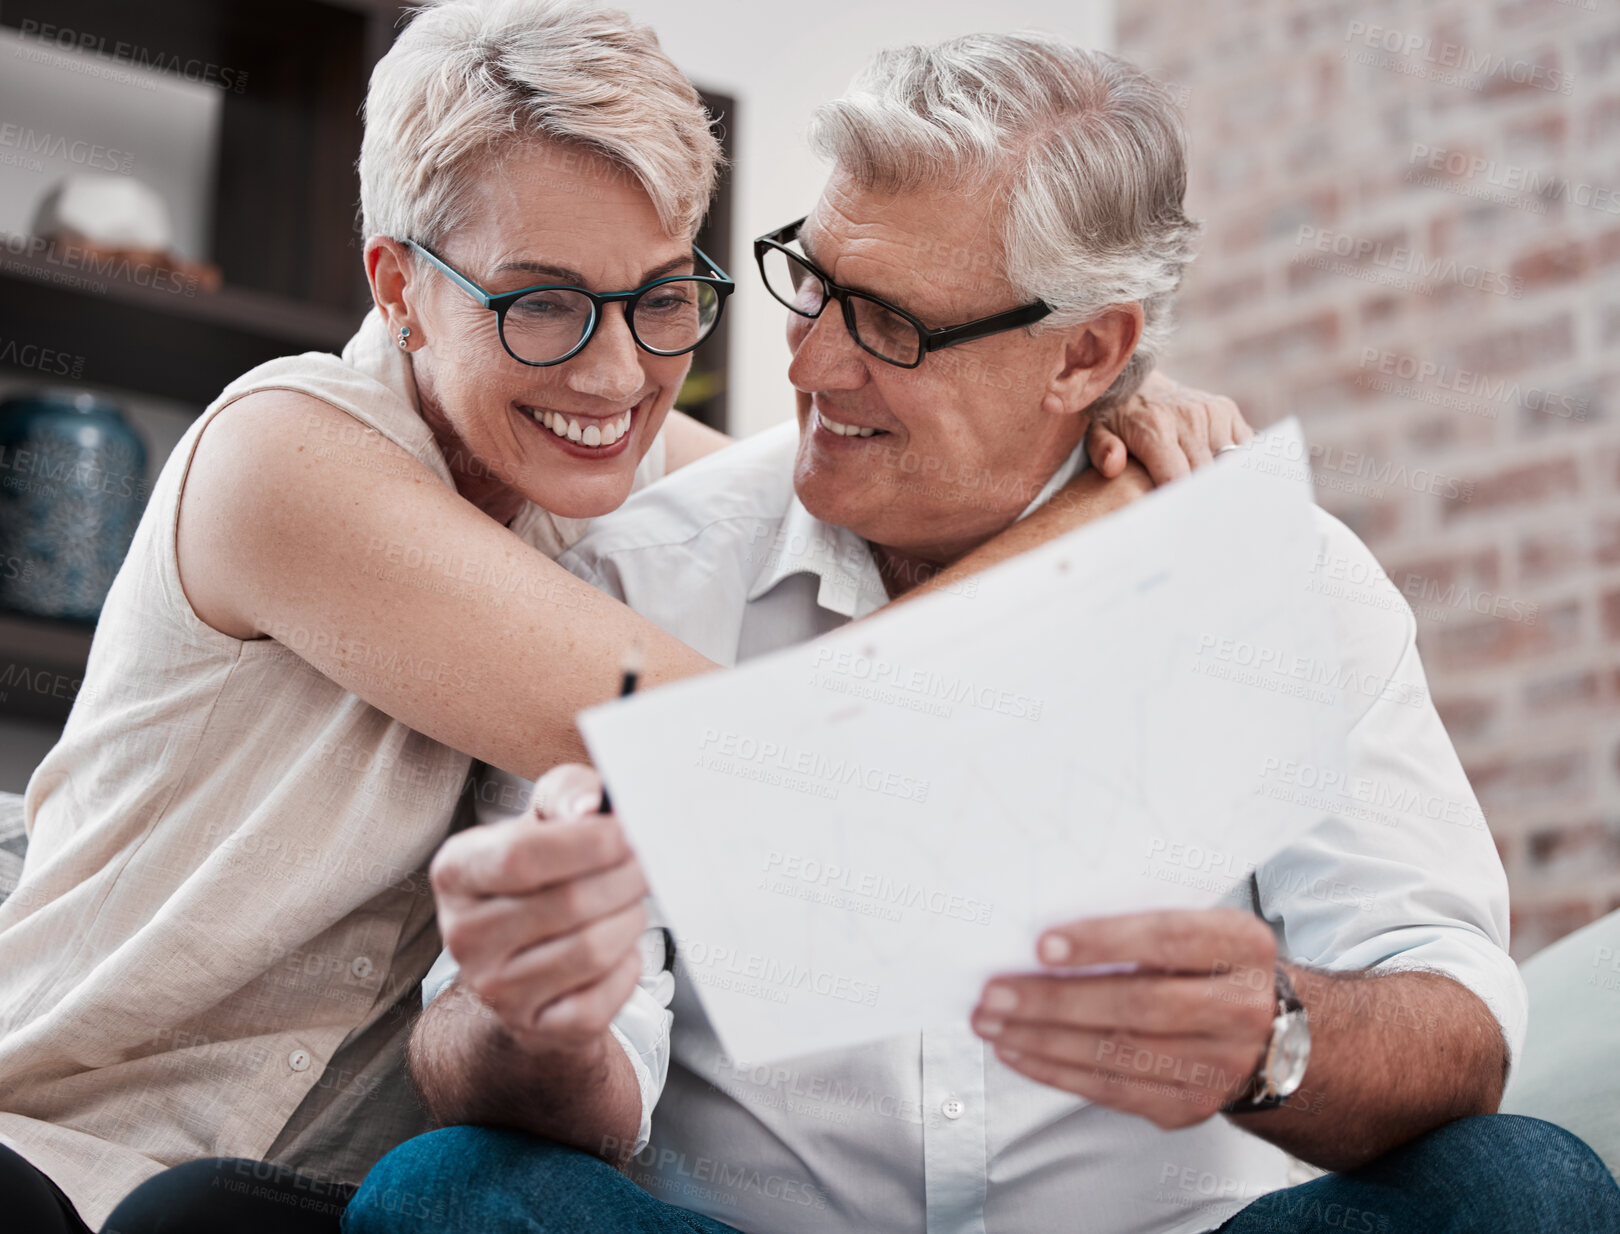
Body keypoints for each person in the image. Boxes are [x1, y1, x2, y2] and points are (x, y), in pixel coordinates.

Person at [347, 31, 1620, 1234]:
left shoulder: (1277, 584)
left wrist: (1274, 1036)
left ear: (1089, 354)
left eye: (891, 325)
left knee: (1525, 1184)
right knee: (448, 1190)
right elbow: (523, 1064)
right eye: (814, 282)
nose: (812, 368)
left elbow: (1454, 1008)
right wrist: (538, 1019)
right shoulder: (646, 580)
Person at [0, 4, 1234, 1233]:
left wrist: (1075, 406)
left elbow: (899, 480)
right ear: (399, 288)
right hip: (73, 1156)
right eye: (541, 304)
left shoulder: (618, 472)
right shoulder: (285, 459)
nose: (612, 375)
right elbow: (769, 757)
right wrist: (1094, 517)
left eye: (660, 298)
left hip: (334, 1206)